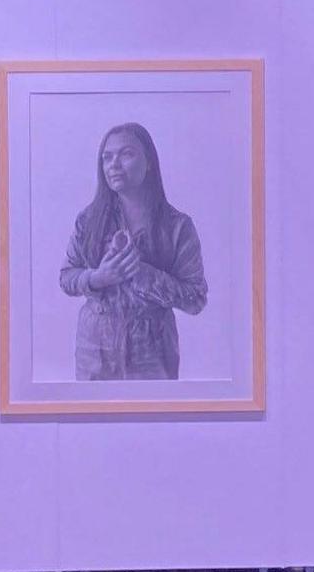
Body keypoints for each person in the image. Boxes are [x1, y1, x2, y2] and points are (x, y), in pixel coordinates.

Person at [57, 122, 207, 380]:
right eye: (107, 157)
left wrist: (143, 274)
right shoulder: (89, 220)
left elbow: (196, 299)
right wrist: (98, 278)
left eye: (126, 154)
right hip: (95, 348)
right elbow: (66, 277)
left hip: (153, 351)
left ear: (149, 162)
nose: (113, 164)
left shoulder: (177, 226)